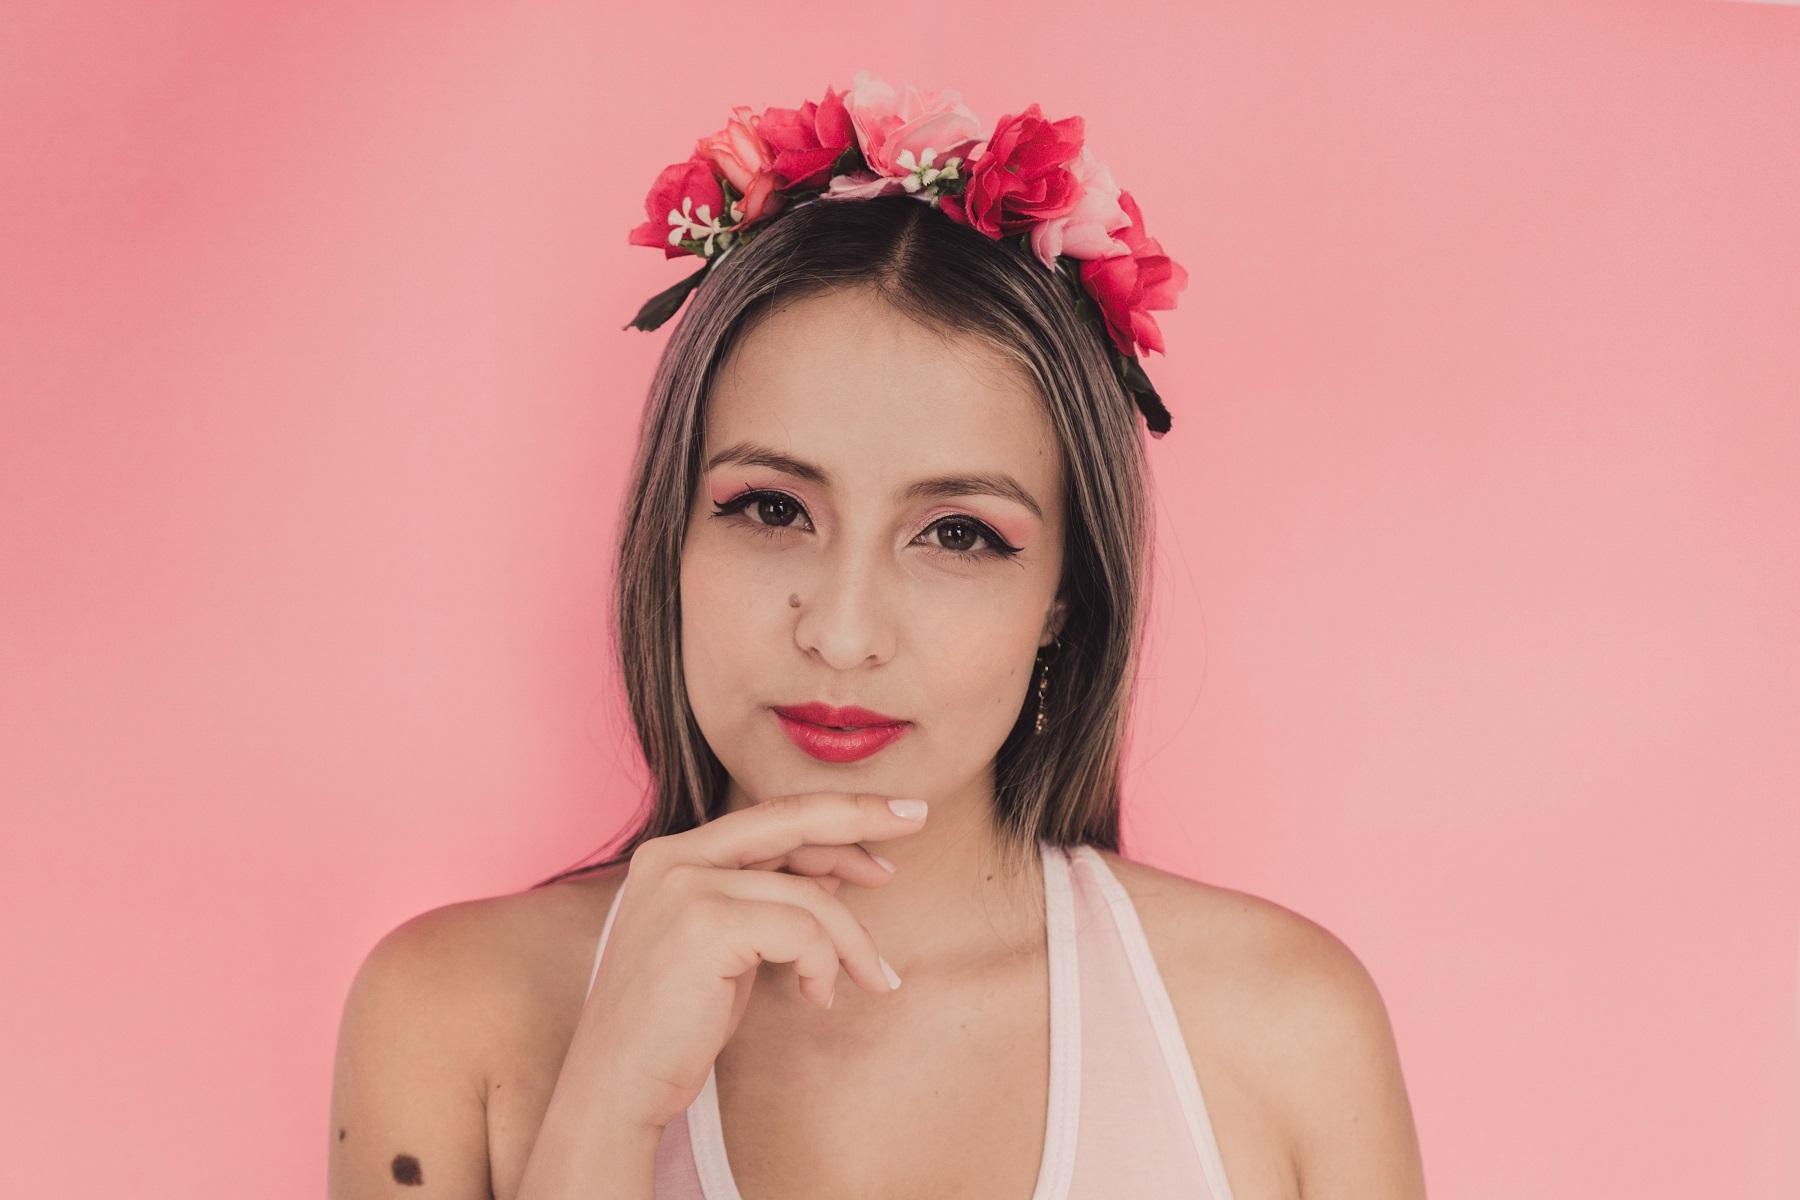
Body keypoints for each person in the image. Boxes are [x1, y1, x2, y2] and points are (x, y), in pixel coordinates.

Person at [328, 81, 1426, 1200]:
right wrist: (603, 1109)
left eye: (958, 533)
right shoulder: (450, 1018)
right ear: (672, 537)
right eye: (771, 508)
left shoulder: (1285, 1034)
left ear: (1064, 596)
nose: (843, 635)